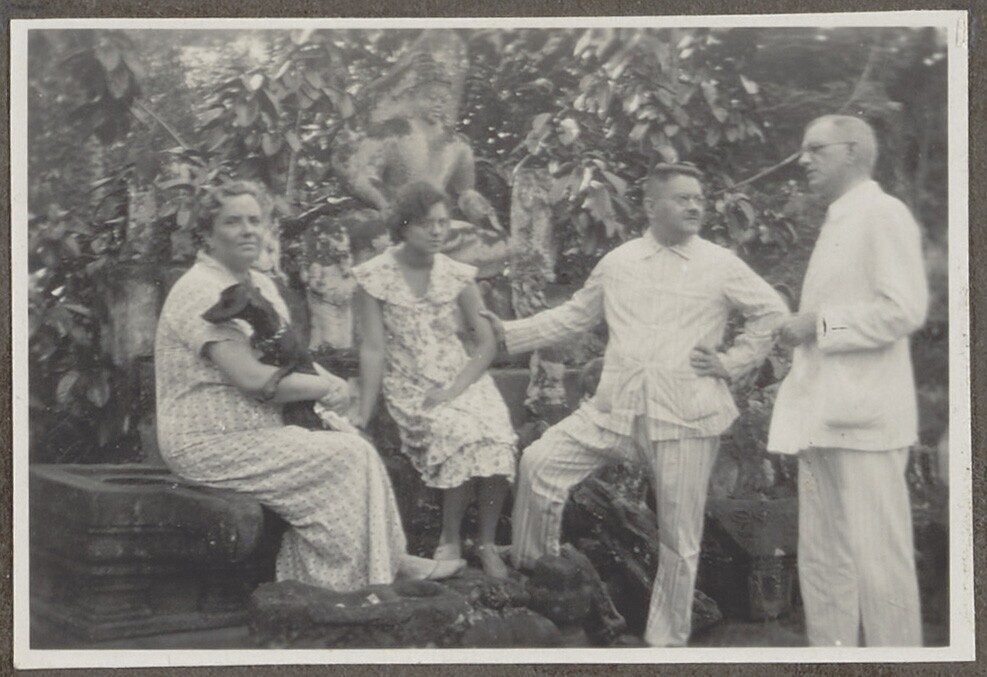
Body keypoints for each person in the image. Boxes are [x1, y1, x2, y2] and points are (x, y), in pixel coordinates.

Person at [482, 164, 789, 647]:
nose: (695, 206)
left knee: (679, 539)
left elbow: (771, 312)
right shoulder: (619, 262)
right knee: (539, 463)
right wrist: (505, 333)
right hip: (616, 409)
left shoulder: (721, 263)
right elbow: (574, 316)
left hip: (686, 414)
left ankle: (664, 644)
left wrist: (732, 362)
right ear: (650, 206)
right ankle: (541, 582)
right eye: (683, 198)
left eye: (699, 198)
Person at [154, 180, 464, 593]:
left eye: (255, 221)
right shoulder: (200, 290)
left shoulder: (260, 284)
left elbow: (287, 357)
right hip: (207, 441)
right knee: (348, 456)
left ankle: (382, 563)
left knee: (352, 442)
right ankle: (337, 589)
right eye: (233, 222)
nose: (248, 231)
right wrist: (323, 388)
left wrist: (328, 379)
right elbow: (253, 379)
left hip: (258, 428)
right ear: (208, 234)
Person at [768, 115, 928, 646]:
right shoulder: (837, 221)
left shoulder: (884, 214)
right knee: (822, 562)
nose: (803, 160)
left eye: (816, 149)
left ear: (853, 151)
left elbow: (903, 310)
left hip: (867, 422)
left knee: (881, 565)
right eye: (803, 150)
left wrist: (818, 325)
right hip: (821, 419)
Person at [352, 181, 518, 579]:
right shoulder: (374, 277)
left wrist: (455, 389)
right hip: (411, 383)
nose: (438, 231)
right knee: (457, 431)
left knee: (497, 432)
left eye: (444, 223)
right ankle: (450, 537)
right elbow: (373, 348)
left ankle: (487, 542)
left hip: (461, 378)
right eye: (428, 224)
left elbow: (486, 344)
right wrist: (364, 412)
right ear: (404, 225)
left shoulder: (457, 275)